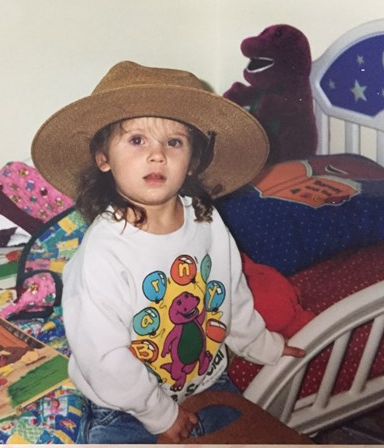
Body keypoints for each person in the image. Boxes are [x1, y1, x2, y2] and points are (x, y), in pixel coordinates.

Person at [31, 61, 305, 444]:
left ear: (192, 161)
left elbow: (230, 293)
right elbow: (104, 358)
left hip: (209, 380)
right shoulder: (102, 253)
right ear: (103, 158)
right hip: (126, 404)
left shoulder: (207, 222)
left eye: (173, 142)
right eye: (137, 140)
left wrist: (263, 345)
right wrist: (160, 415)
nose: (157, 155)